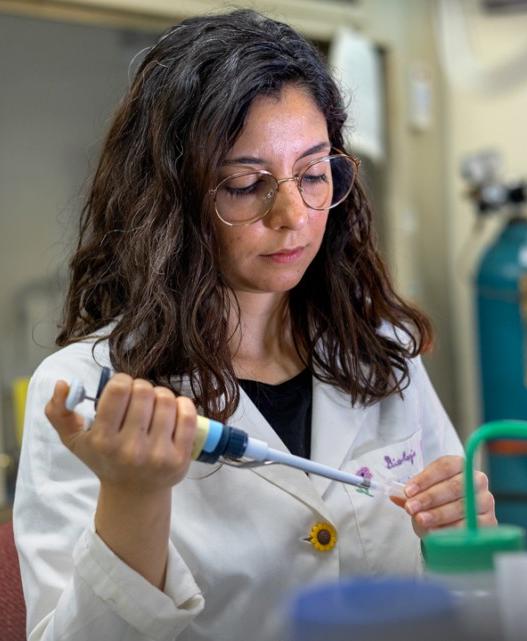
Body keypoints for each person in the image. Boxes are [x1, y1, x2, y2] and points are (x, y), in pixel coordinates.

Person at [13, 9, 496, 641]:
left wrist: (460, 548)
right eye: (246, 184)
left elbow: (474, 610)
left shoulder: (379, 350)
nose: (294, 214)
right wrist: (133, 500)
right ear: (172, 199)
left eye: (315, 173)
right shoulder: (90, 389)